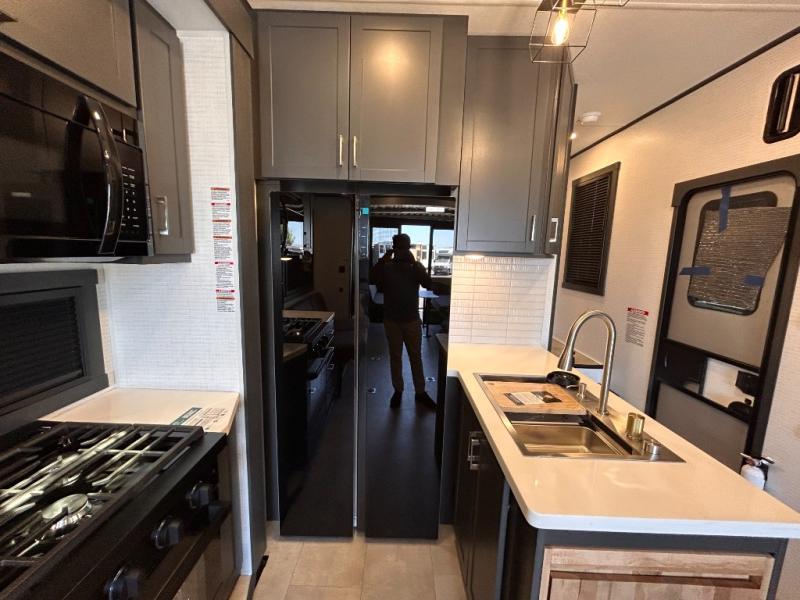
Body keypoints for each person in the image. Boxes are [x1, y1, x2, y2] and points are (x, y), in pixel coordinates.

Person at [371, 234, 436, 409]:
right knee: (396, 357)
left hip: (410, 320)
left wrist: (416, 265)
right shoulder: (387, 267)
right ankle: (398, 390)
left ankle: (420, 392)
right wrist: (385, 257)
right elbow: (373, 277)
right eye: (399, 247)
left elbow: (428, 284)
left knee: (414, 357)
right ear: (395, 248)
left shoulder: (414, 267)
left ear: (408, 248)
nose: (401, 251)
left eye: (404, 248)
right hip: (393, 320)